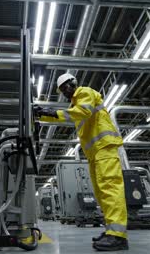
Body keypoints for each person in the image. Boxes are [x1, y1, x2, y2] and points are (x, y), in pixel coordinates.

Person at [33, 73, 129, 251]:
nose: (65, 91)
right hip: (94, 153)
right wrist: (40, 115)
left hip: (105, 147)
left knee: (109, 189)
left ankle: (118, 236)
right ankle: (111, 231)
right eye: (62, 90)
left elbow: (82, 112)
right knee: (101, 193)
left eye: (66, 87)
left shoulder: (84, 93)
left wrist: (49, 112)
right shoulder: (74, 105)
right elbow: (69, 115)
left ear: (73, 83)